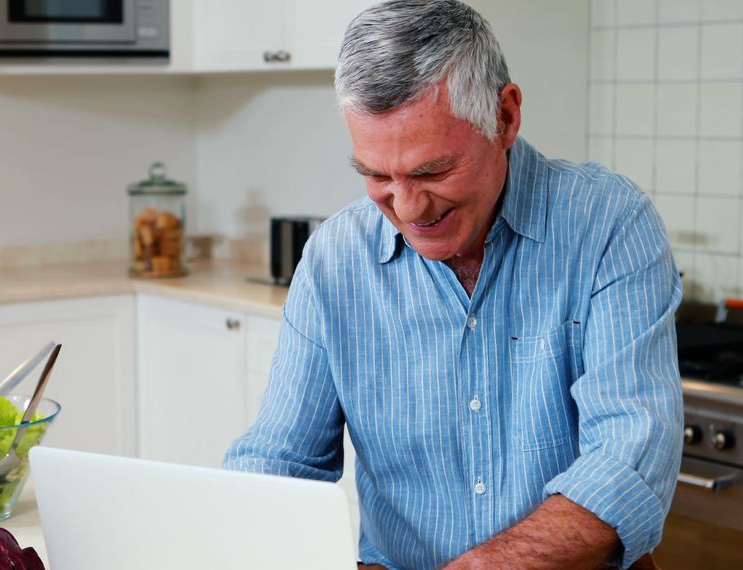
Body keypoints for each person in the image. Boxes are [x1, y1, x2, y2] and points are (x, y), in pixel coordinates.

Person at [223, 1, 682, 569]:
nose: (408, 208)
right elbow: (280, 460)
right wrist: (233, 522)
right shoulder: (334, 260)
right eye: (376, 175)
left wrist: (483, 566)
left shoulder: (610, 224)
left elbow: (629, 458)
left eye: (432, 171)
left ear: (506, 117)